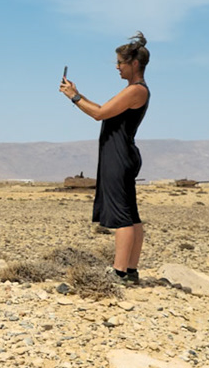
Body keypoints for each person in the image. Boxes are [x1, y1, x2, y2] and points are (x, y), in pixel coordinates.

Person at [60, 32, 151, 283]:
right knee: (131, 214)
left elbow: (99, 113)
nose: (117, 67)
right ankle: (130, 270)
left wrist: (73, 97)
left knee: (122, 216)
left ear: (134, 64)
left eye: (120, 63)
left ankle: (119, 272)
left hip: (118, 156)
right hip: (121, 154)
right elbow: (104, 111)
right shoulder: (134, 90)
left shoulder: (136, 90)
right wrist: (78, 94)